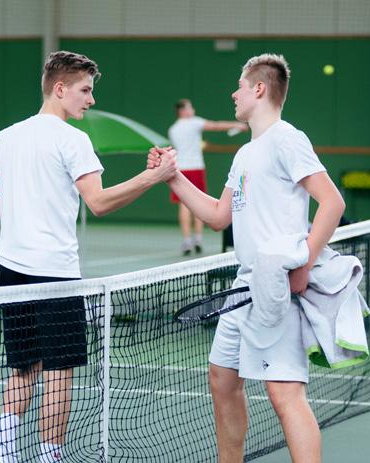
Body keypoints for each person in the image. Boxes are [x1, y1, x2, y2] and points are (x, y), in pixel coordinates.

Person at [0, 50, 178, 463]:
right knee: (58, 372)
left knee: (23, 367)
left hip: (9, 269)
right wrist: (151, 177)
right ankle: (50, 457)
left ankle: (3, 453)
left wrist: (13, 223)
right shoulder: (73, 140)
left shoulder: (8, 134)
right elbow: (98, 203)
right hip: (55, 275)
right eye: (85, 90)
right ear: (60, 89)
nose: (91, 99)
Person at [149, 54, 345, 462]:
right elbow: (220, 215)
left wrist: (304, 266)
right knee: (222, 379)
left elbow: (332, 202)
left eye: (239, 85)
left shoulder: (288, 139)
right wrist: (173, 177)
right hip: (243, 286)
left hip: (277, 285)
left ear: (259, 89)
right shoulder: (245, 154)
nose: (233, 93)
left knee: (284, 393)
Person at [167, 99, 247, 255]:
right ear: (182, 111)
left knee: (184, 205)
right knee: (198, 202)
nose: (193, 110)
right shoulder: (194, 123)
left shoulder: (173, 129)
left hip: (180, 170)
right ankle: (197, 238)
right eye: (190, 107)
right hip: (195, 168)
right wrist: (237, 125)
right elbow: (216, 125)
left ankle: (187, 241)